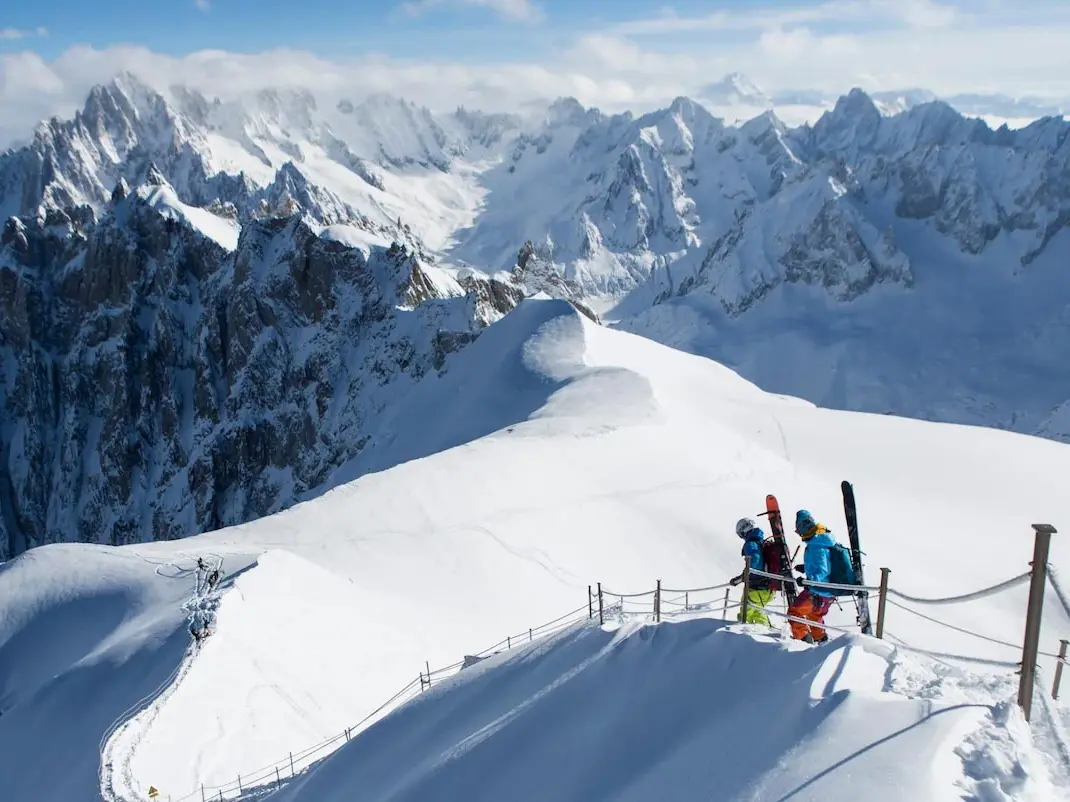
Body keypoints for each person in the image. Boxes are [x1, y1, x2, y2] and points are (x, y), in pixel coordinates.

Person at [788, 509, 837, 644]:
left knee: (794, 612)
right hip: (826, 592)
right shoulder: (820, 541)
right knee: (814, 617)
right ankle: (822, 642)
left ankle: (803, 642)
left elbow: (823, 570)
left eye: (799, 529)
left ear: (805, 525)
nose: (799, 533)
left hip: (817, 590)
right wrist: (806, 568)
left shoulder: (817, 545)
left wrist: (808, 580)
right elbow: (822, 564)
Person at [729, 517, 776, 626]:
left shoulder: (750, 544)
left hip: (756, 589)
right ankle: (766, 632)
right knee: (758, 612)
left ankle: (742, 635)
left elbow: (753, 563)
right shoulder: (761, 542)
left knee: (745, 613)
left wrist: (739, 579)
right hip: (768, 588)